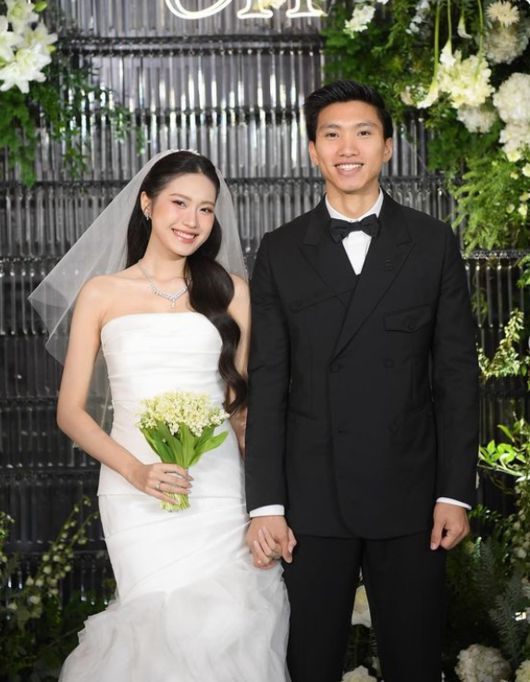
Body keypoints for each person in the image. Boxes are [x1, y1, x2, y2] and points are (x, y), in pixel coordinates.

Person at [244, 80, 479, 682]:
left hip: (412, 496)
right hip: (310, 500)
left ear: (388, 146)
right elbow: (267, 384)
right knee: (310, 664)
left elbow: (456, 376)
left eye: (363, 133)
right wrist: (266, 504)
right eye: (332, 135)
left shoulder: (432, 242)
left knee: (415, 663)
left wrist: (454, 492)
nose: (347, 148)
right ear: (313, 150)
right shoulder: (279, 250)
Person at [29, 150, 290, 682]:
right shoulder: (102, 293)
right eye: (179, 203)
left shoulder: (232, 292)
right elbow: (70, 412)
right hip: (134, 492)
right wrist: (137, 471)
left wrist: (267, 505)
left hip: (217, 489)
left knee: (228, 627)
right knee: (153, 633)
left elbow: (244, 413)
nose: (192, 220)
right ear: (147, 204)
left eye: (205, 209)